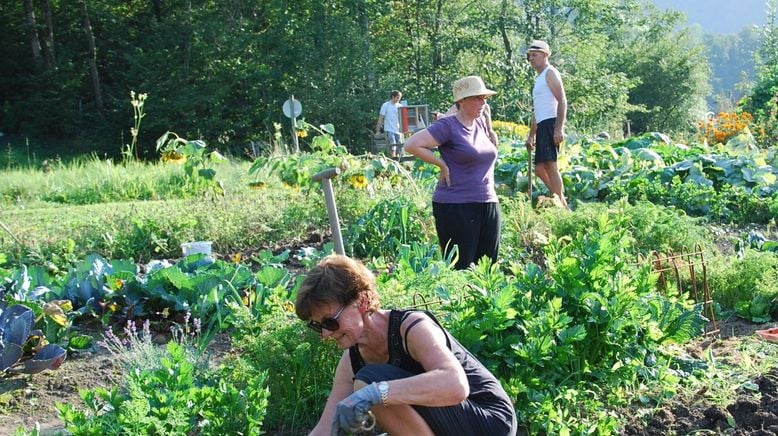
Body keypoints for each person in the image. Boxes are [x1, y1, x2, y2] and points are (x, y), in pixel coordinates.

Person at [296, 255, 517, 436]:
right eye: (318, 326)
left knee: (369, 380)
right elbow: (325, 429)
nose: (325, 334)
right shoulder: (351, 361)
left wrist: (374, 393)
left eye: (329, 321)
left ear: (361, 302)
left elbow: (456, 386)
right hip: (450, 425)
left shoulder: (412, 327)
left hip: (489, 421)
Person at [403, 75, 500, 270]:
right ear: (461, 101)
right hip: (457, 204)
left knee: (488, 269)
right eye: (476, 98)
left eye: (484, 98)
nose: (482, 102)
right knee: (461, 268)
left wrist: (489, 125)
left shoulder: (480, 124)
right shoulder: (448, 126)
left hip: (488, 201)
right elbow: (412, 145)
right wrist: (441, 164)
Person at [525, 40, 570, 210]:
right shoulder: (539, 78)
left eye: (535, 55)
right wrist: (531, 135)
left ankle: (561, 204)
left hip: (551, 123)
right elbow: (537, 111)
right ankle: (561, 201)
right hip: (542, 125)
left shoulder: (551, 73)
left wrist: (559, 127)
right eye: (530, 56)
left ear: (545, 55)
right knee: (539, 170)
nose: (531, 58)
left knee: (551, 166)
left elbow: (562, 100)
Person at [376, 90, 403, 156]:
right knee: (392, 146)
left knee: (400, 147)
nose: (398, 99)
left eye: (399, 98)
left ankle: (401, 163)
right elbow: (381, 118)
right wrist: (377, 130)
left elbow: (403, 119)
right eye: (397, 97)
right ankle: (393, 161)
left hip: (398, 130)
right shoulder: (385, 105)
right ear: (393, 97)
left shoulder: (400, 106)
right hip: (389, 129)